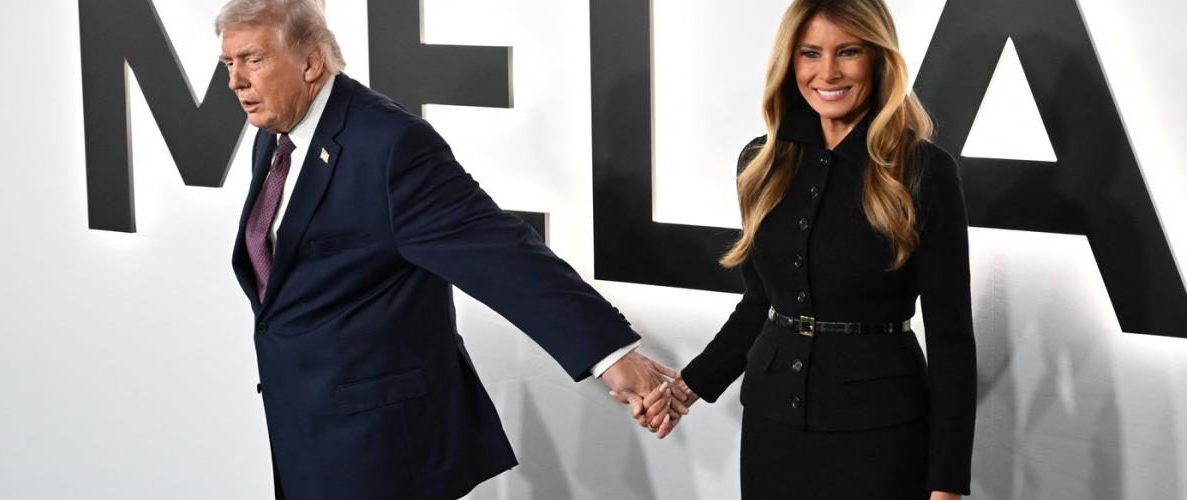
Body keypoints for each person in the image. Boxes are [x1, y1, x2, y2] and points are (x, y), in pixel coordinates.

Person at [217, 1, 679, 498]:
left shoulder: (389, 145)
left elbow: (502, 253)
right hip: (305, 433)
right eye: (228, 64)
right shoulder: (276, 136)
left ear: (311, 62)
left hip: (378, 446)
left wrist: (610, 354)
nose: (236, 82)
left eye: (253, 60)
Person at [649, 0, 978, 499]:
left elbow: (951, 337)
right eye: (809, 53)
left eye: (848, 52)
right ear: (790, 61)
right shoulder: (761, 162)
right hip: (773, 428)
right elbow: (761, 303)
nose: (827, 72)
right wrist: (686, 388)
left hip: (880, 435)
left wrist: (947, 484)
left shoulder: (923, 170)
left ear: (878, 58)